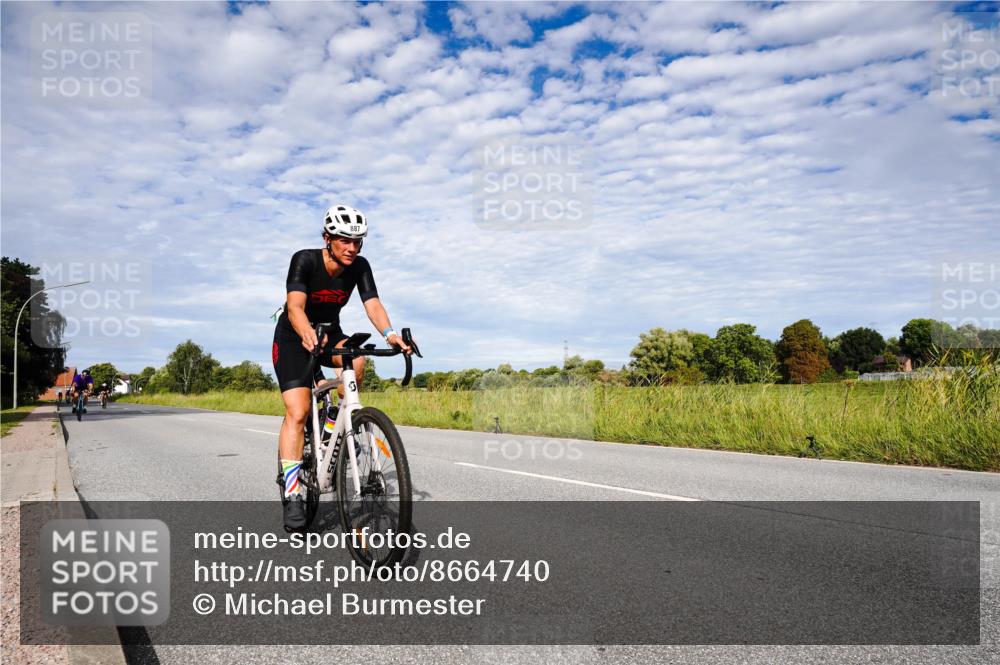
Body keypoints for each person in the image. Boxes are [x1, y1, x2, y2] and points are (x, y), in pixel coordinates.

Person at [272, 204, 412, 531]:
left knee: (358, 358)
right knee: (298, 411)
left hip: (329, 333)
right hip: (295, 335)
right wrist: (306, 332)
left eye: (358, 241)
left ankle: (336, 419)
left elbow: (372, 303)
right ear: (327, 238)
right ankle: (292, 491)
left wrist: (390, 334)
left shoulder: (359, 266)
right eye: (345, 241)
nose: (352, 248)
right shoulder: (304, 260)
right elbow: (294, 306)